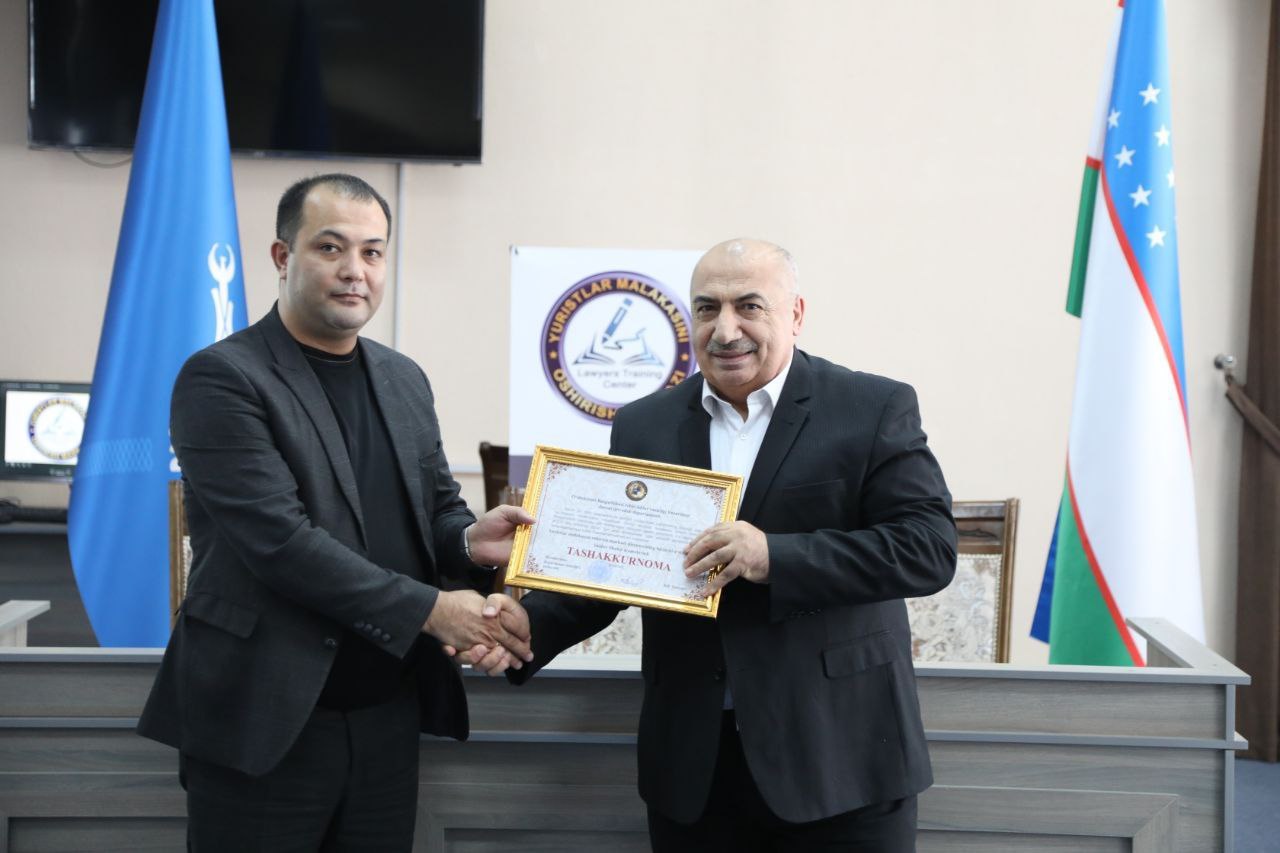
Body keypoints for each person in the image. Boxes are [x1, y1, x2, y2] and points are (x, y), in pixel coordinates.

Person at [472, 238, 956, 852]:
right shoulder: (645, 423)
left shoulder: (871, 407)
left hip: (839, 759)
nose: (726, 330)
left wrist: (773, 556)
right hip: (695, 767)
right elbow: (619, 566)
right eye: (707, 308)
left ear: (795, 314)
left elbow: (927, 547)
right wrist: (529, 624)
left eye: (749, 306)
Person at [138, 173, 534, 852]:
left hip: (386, 715)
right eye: (330, 247)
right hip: (266, 718)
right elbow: (282, 545)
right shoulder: (222, 377)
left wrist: (471, 541)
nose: (356, 270)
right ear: (282, 256)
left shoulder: (403, 378)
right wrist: (434, 610)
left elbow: (437, 510)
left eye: (373, 252)